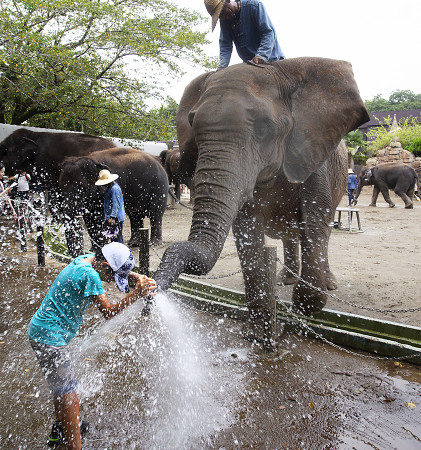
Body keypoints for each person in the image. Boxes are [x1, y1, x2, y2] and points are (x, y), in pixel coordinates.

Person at [27, 242, 157, 449]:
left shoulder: (85, 260)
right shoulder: (91, 276)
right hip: (50, 339)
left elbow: (107, 266)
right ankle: (74, 445)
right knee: (71, 396)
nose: (109, 281)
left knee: (61, 387)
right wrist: (136, 294)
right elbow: (108, 313)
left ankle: (61, 428)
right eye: (110, 276)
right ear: (104, 265)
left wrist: (136, 276)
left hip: (41, 332)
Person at [204, 0, 285, 70]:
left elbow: (268, 33)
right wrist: (222, 67)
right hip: (250, 64)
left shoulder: (254, 5)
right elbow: (225, 45)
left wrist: (261, 56)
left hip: (272, 59)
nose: (224, 17)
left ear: (228, 1)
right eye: (220, 17)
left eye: (222, 12)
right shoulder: (225, 19)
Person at [95, 169, 126, 244]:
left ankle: (119, 253)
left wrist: (112, 217)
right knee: (113, 237)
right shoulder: (111, 188)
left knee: (117, 238)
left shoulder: (114, 189)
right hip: (114, 218)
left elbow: (116, 204)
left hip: (116, 218)